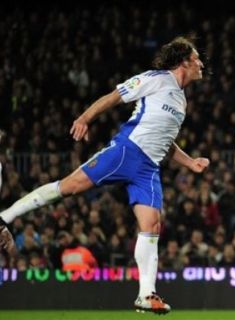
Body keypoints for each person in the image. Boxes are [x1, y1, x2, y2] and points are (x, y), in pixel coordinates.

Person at [0, 36, 209, 314]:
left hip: (149, 167)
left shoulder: (181, 100)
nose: (201, 63)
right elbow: (114, 97)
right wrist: (85, 118)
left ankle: (146, 295)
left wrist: (190, 162)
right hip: (127, 151)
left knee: (152, 225)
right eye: (196, 58)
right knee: (70, 187)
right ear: (184, 61)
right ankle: (4, 217)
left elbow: (165, 140)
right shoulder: (155, 79)